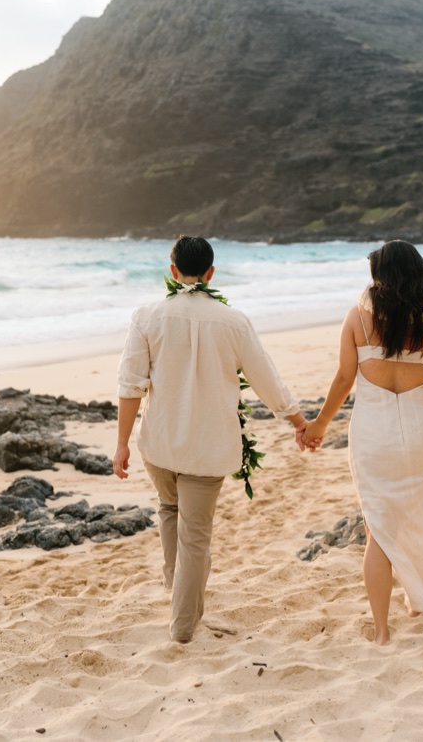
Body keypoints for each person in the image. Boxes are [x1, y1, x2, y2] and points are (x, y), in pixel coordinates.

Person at [115, 235, 307, 643]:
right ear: (211, 273)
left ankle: (175, 590)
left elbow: (130, 384)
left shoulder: (146, 316)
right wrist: (297, 420)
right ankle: (183, 627)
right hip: (208, 446)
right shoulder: (233, 321)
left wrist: (121, 444)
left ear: (173, 272)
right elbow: (266, 379)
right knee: (195, 533)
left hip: (160, 443)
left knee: (170, 509)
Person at [302, 240, 423, 645]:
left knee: (379, 530)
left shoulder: (358, 317)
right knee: (417, 515)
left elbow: (342, 379)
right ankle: (414, 597)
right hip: (422, 428)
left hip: (374, 435)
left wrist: (319, 425)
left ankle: (382, 629)